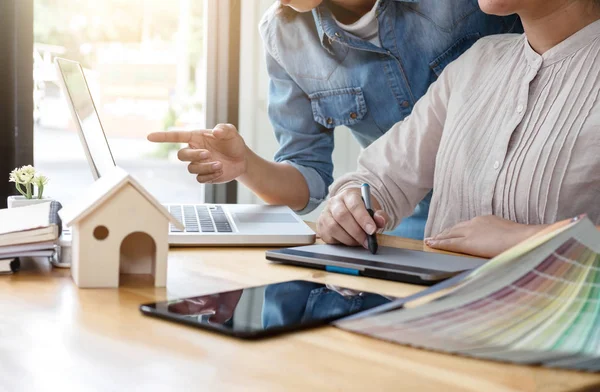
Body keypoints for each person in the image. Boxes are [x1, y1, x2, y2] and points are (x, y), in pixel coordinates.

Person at [148, 0, 522, 240]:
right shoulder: (284, 34)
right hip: (405, 229)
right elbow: (307, 179)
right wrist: (245, 165)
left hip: (521, 213)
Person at [316, 0, 600, 258]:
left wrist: (525, 239)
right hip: (428, 309)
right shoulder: (476, 63)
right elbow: (381, 179)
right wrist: (348, 210)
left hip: (549, 312)